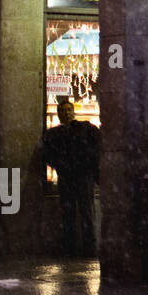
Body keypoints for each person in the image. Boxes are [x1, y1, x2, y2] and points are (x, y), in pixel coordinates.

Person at [41, 97, 101, 256]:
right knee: (76, 213)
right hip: (74, 177)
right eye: (63, 111)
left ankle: (76, 248)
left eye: (68, 110)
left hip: (77, 176)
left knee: (80, 213)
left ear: (72, 112)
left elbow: (48, 155)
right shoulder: (83, 130)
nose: (66, 114)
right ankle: (82, 248)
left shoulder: (59, 134)